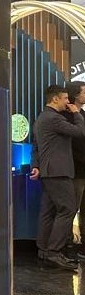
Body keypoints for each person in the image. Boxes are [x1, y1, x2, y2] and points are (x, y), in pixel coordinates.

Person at [31, 84, 84, 270]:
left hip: (49, 172)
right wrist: (77, 113)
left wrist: (36, 166)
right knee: (68, 209)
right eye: (65, 98)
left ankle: (44, 250)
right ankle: (54, 252)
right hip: (58, 172)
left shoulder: (42, 117)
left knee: (48, 211)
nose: (68, 102)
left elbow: (36, 146)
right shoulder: (54, 118)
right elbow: (80, 132)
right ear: (55, 99)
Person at [65, 83, 85, 259]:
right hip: (76, 170)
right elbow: (76, 141)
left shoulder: (82, 115)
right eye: (84, 92)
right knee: (71, 208)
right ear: (76, 95)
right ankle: (67, 244)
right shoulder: (68, 117)